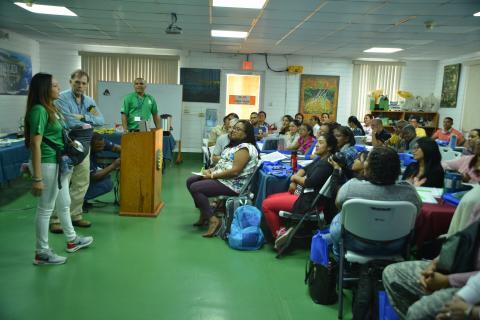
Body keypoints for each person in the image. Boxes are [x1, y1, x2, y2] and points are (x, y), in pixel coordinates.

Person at [24, 73, 93, 265]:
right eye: (54, 85)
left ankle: (72, 240)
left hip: (58, 162)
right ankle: (42, 252)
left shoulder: (52, 108)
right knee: (46, 209)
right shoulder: (39, 110)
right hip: (47, 163)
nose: (58, 88)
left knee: (64, 203)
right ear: (45, 89)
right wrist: (37, 178)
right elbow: (35, 144)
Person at [328, 147, 422, 258]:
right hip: (396, 245)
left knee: (340, 217)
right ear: (397, 168)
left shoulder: (351, 187)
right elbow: (417, 212)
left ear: (367, 167)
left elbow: (338, 204)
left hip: (355, 243)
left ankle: (340, 263)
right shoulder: (409, 192)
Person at [51, 69, 104, 232]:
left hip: (85, 144)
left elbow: (101, 120)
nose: (80, 86)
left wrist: (84, 118)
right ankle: (55, 219)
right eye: (77, 82)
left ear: (87, 85)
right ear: (71, 82)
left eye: (83, 83)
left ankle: (75, 215)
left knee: (82, 182)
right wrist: (86, 121)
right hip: (67, 143)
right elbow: (67, 121)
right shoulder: (61, 99)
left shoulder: (89, 102)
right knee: (63, 183)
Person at [262, 133, 336, 250]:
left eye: (321, 143)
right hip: (305, 195)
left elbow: (308, 183)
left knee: (266, 204)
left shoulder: (325, 165)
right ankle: (284, 230)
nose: (316, 145)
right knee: (271, 198)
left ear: (330, 147)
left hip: (309, 202)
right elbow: (304, 169)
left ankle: (279, 237)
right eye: (317, 142)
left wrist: (294, 178)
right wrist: (295, 180)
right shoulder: (321, 159)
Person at [186, 120, 259, 237]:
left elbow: (235, 171)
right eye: (234, 128)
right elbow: (222, 164)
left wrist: (212, 175)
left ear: (246, 134)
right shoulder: (233, 146)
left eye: (238, 129)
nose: (233, 130)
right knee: (190, 181)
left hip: (233, 184)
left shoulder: (245, 148)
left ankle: (213, 220)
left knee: (196, 188)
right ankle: (204, 213)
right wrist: (210, 170)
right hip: (224, 179)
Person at [383, 251, 480, 319]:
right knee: (393, 274)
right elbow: (463, 239)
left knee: (419, 313)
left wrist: (471, 311)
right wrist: (434, 264)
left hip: (466, 281)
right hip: (466, 275)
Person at [83, 134, 121, 208]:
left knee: (105, 176)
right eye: (98, 147)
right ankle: (79, 200)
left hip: (87, 176)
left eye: (103, 146)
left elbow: (118, 148)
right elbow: (93, 176)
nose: (101, 148)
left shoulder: (100, 142)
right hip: (77, 179)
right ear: (91, 146)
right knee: (107, 184)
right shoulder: (85, 152)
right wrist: (113, 165)